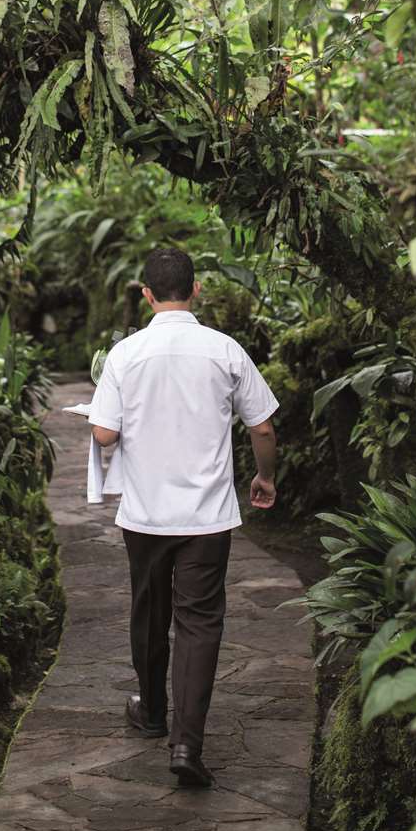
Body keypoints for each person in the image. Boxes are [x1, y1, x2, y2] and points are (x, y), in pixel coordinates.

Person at [87, 246, 280, 789]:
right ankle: (186, 744)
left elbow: (104, 434)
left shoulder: (126, 355)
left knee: (149, 611)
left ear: (146, 295)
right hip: (207, 519)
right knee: (198, 623)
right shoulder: (224, 350)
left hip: (145, 514)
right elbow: (262, 427)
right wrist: (265, 478)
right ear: (196, 291)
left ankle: (151, 712)